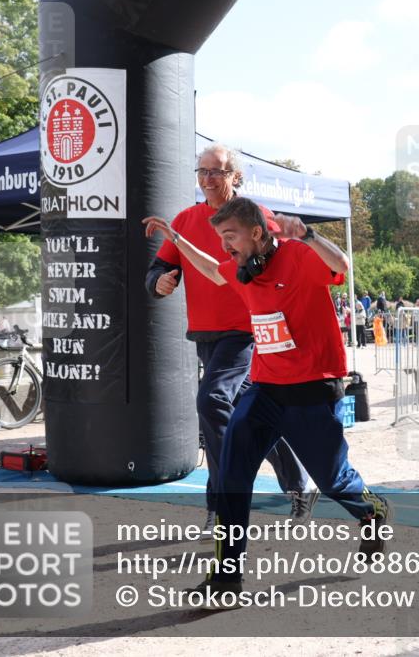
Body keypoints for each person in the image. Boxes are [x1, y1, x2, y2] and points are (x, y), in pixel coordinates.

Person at [144, 198, 391, 607]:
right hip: (265, 389)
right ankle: (226, 582)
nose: (225, 246)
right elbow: (209, 268)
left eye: (230, 237)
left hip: (313, 389)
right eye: (221, 238)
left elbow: (342, 265)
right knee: (232, 476)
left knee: (333, 481)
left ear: (257, 233)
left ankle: (372, 512)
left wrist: (308, 234)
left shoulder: (298, 256)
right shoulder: (242, 271)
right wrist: (177, 240)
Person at [145, 144, 315, 532]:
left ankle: (223, 503)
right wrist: (160, 282)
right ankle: (299, 484)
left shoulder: (255, 216)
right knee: (248, 417)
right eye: (202, 171)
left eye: (217, 172)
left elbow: (281, 259)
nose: (208, 179)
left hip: (248, 330)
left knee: (212, 399)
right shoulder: (186, 220)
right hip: (206, 334)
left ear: (235, 177)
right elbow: (158, 267)